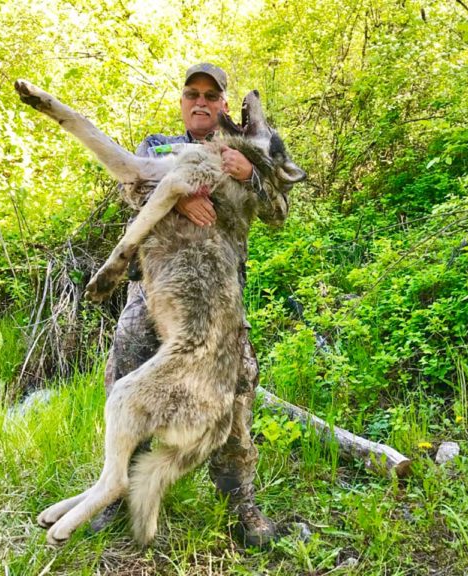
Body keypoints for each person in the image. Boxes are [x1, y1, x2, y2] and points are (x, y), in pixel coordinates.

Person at [93, 63, 288, 547]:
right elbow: (128, 191)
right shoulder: (157, 145)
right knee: (127, 374)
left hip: (219, 298)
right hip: (155, 289)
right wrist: (177, 198)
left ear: (224, 104)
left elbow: (279, 215)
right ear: (182, 102)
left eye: (211, 95)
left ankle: (240, 507)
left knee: (235, 392)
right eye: (192, 94)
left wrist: (252, 177)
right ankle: (116, 494)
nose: (201, 102)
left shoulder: (247, 152)